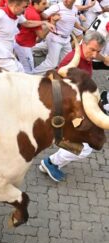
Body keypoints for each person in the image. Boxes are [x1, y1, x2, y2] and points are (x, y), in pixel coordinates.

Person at [40, 31, 108, 182]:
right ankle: (50, 162)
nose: (94, 54)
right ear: (83, 44)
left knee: (84, 145)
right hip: (64, 110)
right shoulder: (73, 61)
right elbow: (58, 87)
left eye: (98, 51)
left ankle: (53, 161)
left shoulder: (86, 58)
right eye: (92, 49)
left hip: (74, 107)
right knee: (85, 148)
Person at [0, 0, 56, 72]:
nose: (25, 10)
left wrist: (44, 23)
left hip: (9, 55)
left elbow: (27, 23)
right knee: (20, 78)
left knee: (20, 73)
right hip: (0, 58)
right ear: (16, 6)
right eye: (24, 7)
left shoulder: (17, 15)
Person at [33, 0, 86, 74]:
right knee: (52, 63)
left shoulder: (75, 9)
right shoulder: (57, 7)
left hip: (66, 39)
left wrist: (84, 29)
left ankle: (59, 77)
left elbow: (73, 21)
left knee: (68, 61)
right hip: (55, 38)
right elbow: (43, 14)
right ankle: (32, 74)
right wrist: (51, 18)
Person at [14, 0, 55, 73]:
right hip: (24, 46)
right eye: (43, 4)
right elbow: (41, 36)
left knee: (24, 67)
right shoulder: (34, 15)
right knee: (29, 71)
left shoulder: (30, 8)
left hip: (20, 42)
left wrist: (48, 20)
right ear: (35, 4)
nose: (45, 6)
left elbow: (42, 15)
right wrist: (52, 23)